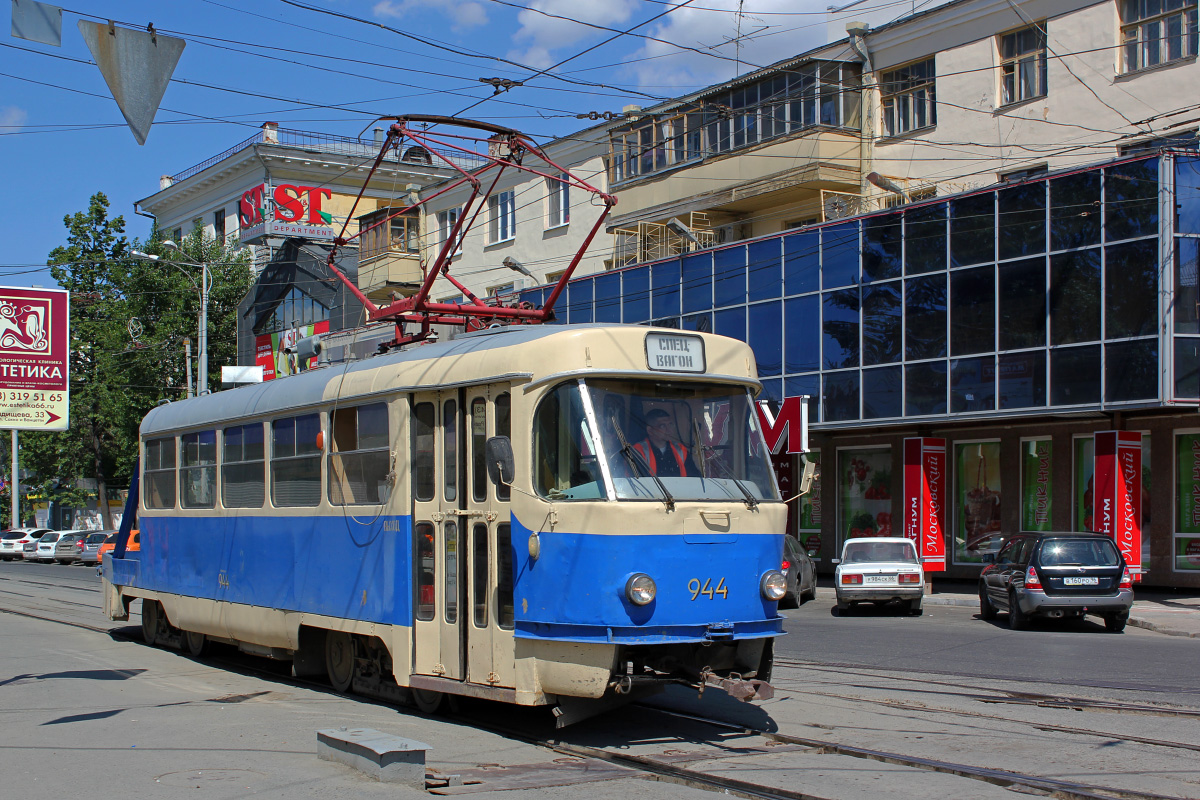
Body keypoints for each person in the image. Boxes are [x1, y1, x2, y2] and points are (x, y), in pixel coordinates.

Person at [632, 409, 692, 477]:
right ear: (650, 430)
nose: (669, 430)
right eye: (662, 426)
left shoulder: (681, 450)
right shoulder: (638, 451)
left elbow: (694, 478)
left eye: (670, 424)